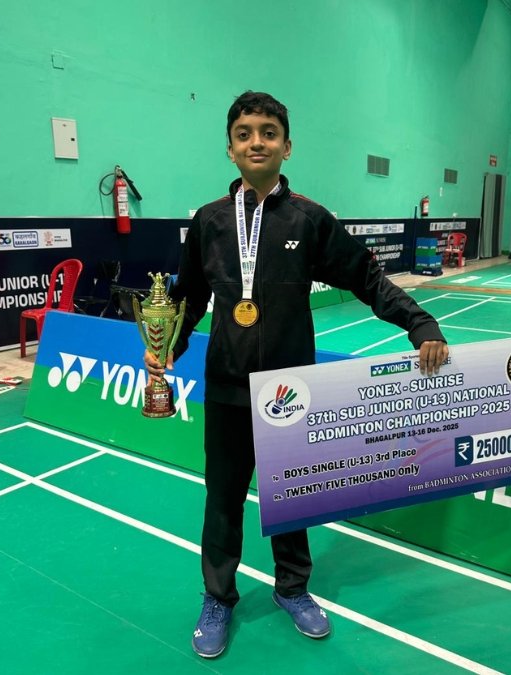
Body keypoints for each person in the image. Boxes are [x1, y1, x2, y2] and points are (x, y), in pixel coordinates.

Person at [144, 90, 450, 659]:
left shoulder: (309, 219)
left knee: (292, 495)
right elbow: (188, 297)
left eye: (268, 132)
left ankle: (292, 588)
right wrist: (169, 348)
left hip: (290, 389)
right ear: (230, 149)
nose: (256, 142)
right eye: (244, 134)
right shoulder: (209, 222)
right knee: (223, 498)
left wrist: (420, 323)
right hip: (228, 387)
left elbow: (366, 278)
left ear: (287, 146)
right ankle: (218, 596)